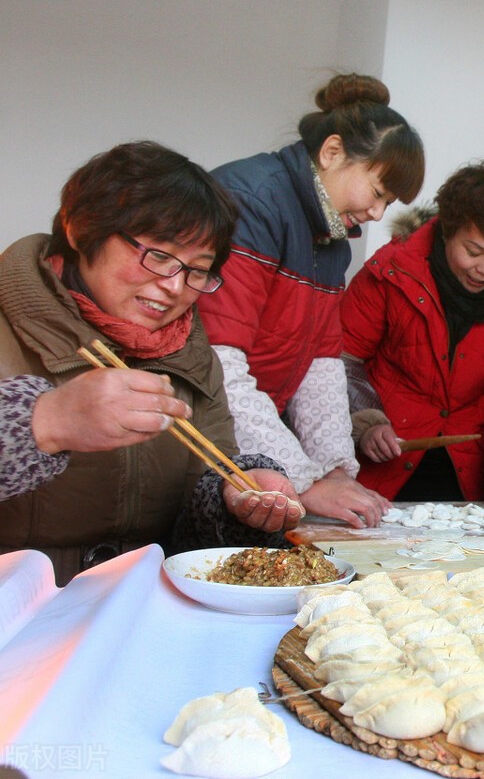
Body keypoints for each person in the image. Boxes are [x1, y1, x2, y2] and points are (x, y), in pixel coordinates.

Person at [0, 142, 303, 583]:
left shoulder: (193, 356)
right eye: (159, 256)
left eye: (197, 270)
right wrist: (44, 421)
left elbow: (205, 485)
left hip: (141, 608)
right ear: (81, 228)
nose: (175, 286)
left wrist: (234, 499)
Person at [198, 73, 424, 529]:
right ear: (333, 152)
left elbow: (321, 362)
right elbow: (216, 361)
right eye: (378, 193)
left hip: (254, 434)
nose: (378, 214)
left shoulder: (332, 237)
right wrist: (306, 479)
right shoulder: (253, 201)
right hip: (206, 428)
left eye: (390, 202)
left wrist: (335, 468)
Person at [340, 161, 484, 508]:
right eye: (473, 251)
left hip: (466, 464)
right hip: (386, 451)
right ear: (447, 231)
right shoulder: (392, 270)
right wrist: (366, 422)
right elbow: (341, 357)